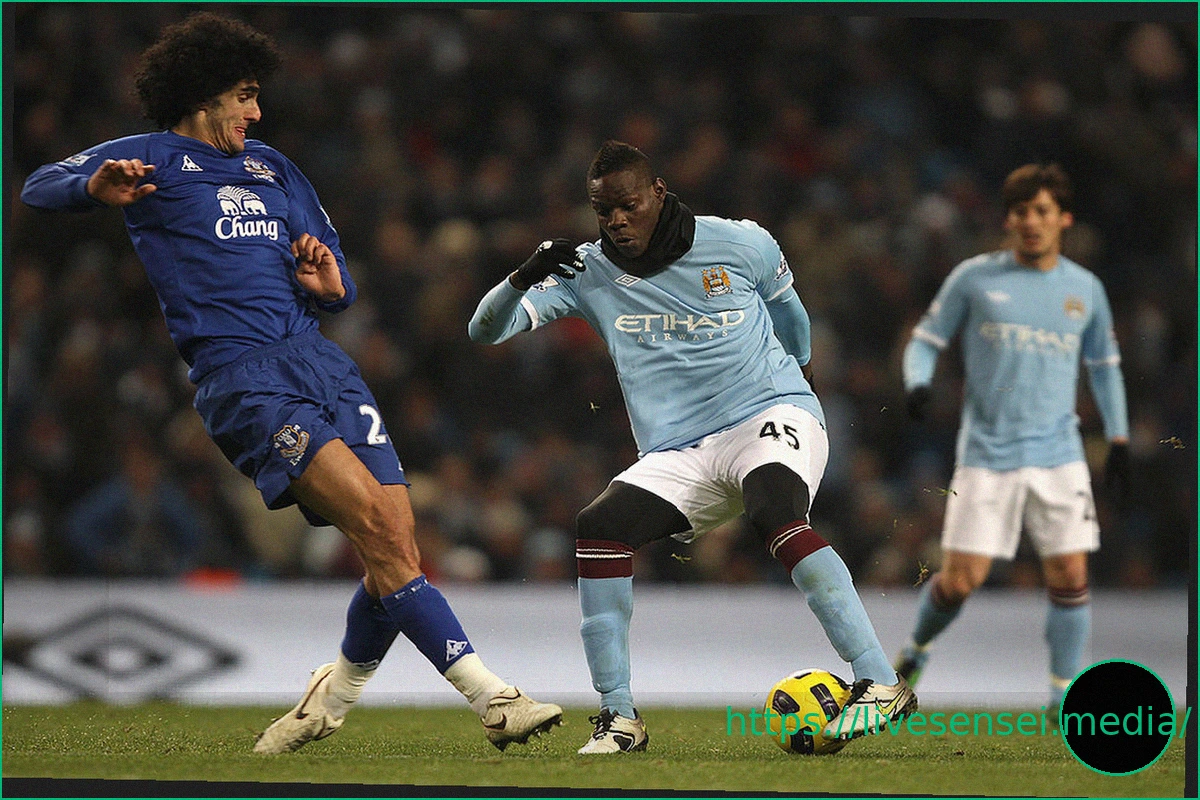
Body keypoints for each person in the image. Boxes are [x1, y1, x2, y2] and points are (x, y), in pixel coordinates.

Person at [21, 12, 561, 754]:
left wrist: (331, 284)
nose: (256, 111)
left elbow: (333, 269)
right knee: (378, 532)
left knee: (396, 539)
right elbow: (38, 185)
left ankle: (326, 702)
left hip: (320, 361)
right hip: (244, 381)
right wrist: (92, 186)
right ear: (204, 94)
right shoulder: (149, 158)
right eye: (245, 95)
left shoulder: (272, 167)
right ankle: (492, 697)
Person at [469, 140, 916, 753]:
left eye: (627, 205)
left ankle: (880, 680)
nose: (616, 221)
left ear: (657, 192)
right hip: (679, 452)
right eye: (603, 211)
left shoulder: (740, 242)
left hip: (767, 413)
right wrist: (522, 276)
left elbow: (790, 316)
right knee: (599, 527)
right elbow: (484, 331)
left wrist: (800, 380)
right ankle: (619, 717)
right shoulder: (585, 272)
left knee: (775, 510)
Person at [894, 164, 1130, 714]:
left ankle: (1062, 694)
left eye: (1042, 211)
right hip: (987, 455)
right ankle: (916, 648)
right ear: (1008, 219)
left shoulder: (1085, 289)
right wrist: (917, 382)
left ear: (1063, 219)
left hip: (1059, 454)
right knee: (960, 582)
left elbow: (1105, 367)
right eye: (1021, 211)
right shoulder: (974, 278)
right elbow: (925, 340)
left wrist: (1118, 440)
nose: (1031, 221)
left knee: (1070, 572)